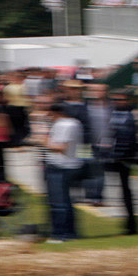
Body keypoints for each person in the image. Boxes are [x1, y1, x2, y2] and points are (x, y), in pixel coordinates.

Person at [45, 102, 84, 242]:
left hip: (59, 166)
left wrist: (43, 140)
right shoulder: (75, 123)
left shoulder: (62, 124)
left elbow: (61, 147)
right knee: (66, 202)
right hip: (71, 165)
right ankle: (71, 232)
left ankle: (60, 234)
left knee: (58, 203)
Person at [106, 90, 138, 235]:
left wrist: (122, 156)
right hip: (111, 157)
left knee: (126, 191)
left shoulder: (131, 117)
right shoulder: (111, 115)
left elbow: (130, 138)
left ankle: (131, 225)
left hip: (123, 159)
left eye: (122, 99)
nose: (118, 102)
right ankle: (127, 223)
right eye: (116, 99)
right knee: (118, 192)